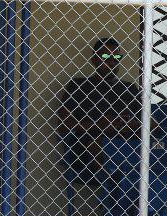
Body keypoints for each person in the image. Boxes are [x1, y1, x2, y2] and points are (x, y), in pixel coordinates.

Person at [55, 36, 142, 183]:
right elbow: (63, 125)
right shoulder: (78, 86)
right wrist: (99, 125)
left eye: (116, 56)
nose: (112, 61)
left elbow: (148, 122)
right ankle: (118, 189)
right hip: (88, 148)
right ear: (94, 59)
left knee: (155, 137)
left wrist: (128, 125)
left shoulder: (129, 88)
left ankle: (127, 191)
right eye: (106, 56)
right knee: (98, 142)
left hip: (126, 143)